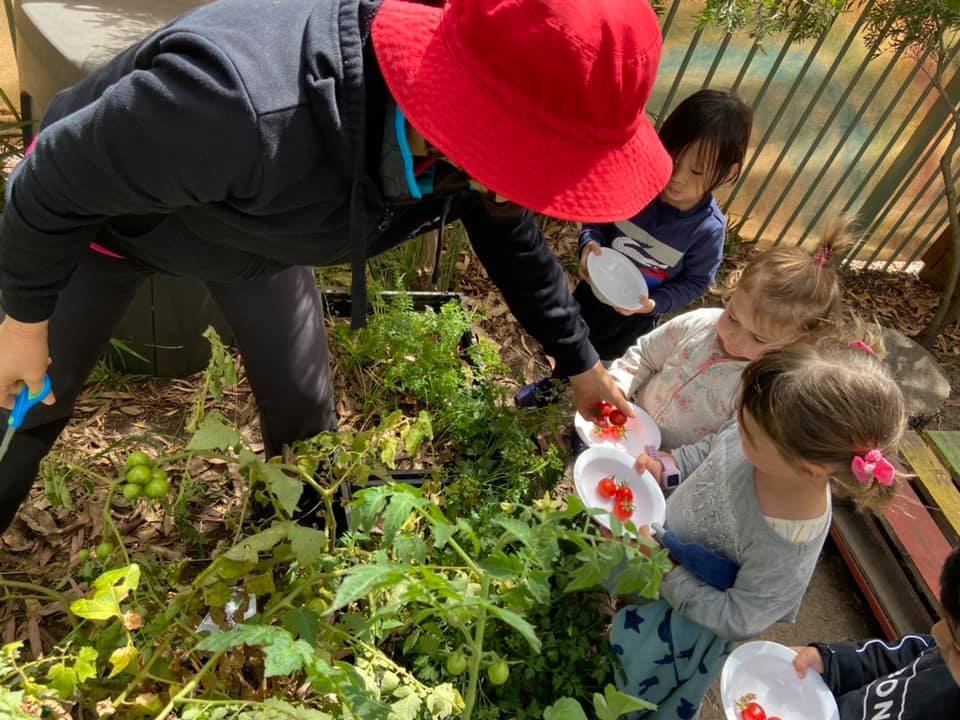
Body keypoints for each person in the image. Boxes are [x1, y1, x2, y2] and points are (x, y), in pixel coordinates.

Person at [0, 0, 673, 531]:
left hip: (264, 237)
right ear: (477, 122)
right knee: (23, 403)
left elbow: (507, 232)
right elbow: (52, 180)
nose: (544, 192)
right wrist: (23, 319)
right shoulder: (237, 106)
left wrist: (580, 362)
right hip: (103, 228)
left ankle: (294, 549)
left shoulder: (473, 138)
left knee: (303, 412)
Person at [609, 340, 907, 719]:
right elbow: (716, 447)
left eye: (749, 432)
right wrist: (668, 466)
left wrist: (667, 573)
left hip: (688, 618)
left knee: (633, 676)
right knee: (621, 598)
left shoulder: (788, 544)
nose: (739, 429)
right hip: (660, 549)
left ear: (810, 469)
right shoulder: (763, 428)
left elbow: (738, 617)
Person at [516, 89, 752, 408]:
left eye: (696, 171)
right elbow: (600, 216)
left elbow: (696, 282)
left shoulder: (706, 229)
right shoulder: (636, 183)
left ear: (730, 174)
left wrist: (654, 304)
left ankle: (593, 423)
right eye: (672, 159)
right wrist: (590, 242)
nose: (676, 178)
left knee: (612, 369)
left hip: (635, 317)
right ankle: (555, 386)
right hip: (594, 291)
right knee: (571, 344)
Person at [609, 223, 850, 450]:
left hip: (667, 464)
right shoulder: (701, 322)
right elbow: (647, 354)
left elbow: (724, 445)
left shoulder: (759, 388)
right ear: (733, 291)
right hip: (628, 424)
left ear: (797, 342)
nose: (735, 338)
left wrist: (671, 464)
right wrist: (619, 385)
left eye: (758, 339)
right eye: (733, 318)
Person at [790, 544, 960, 720]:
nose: (938, 633)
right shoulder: (941, 650)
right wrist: (832, 661)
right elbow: (890, 658)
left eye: (956, 646)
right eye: (945, 619)